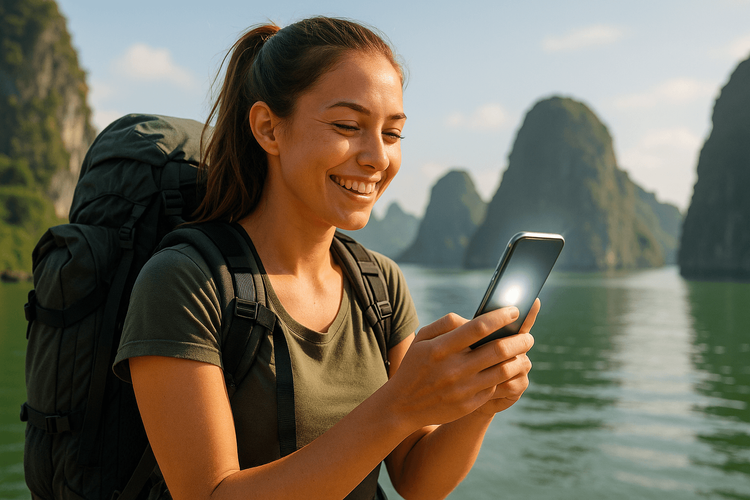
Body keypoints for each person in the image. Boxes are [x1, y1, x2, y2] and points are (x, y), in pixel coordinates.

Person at [113, 16, 538, 500]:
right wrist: (397, 406)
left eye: (393, 133)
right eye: (347, 126)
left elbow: (417, 481)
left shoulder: (380, 285)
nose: (377, 157)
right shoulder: (186, 282)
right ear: (269, 128)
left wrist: (479, 401)